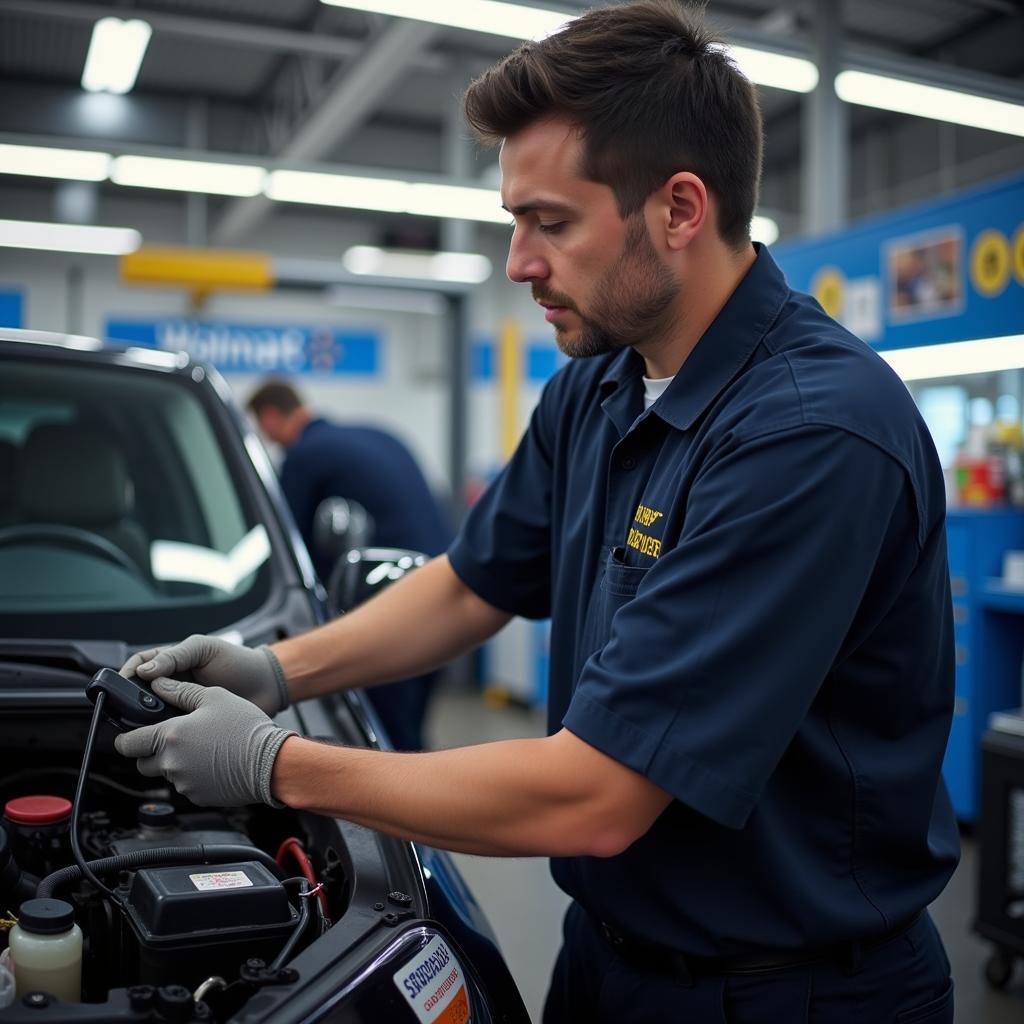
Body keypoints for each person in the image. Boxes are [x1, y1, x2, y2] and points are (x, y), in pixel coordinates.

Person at [115, 3, 959, 1020]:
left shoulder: (809, 434)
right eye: (515, 220)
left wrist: (273, 763)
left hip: (793, 992)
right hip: (607, 955)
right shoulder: (601, 381)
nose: (518, 263)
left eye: (550, 222)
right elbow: (472, 585)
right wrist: (279, 666)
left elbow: (595, 795)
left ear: (679, 208)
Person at [246, 378, 452, 750]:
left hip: (391, 607)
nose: (266, 436)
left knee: (385, 741)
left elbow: (289, 552)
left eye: (262, 426)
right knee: (410, 733)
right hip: (448, 595)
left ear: (272, 417)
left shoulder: (304, 456)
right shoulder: (379, 434)